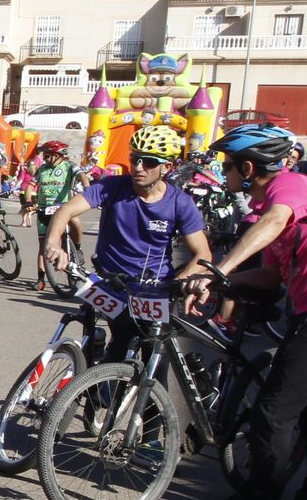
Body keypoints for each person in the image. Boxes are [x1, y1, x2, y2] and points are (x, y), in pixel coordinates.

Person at [183, 125, 307, 500]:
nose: (223, 173)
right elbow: (270, 276)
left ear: (249, 167)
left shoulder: (289, 187)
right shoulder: (271, 205)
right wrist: (217, 283)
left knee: (274, 411)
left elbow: (273, 222)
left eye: (228, 165)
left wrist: (218, 268)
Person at [43, 124, 210, 363]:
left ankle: (147, 398)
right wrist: (54, 244)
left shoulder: (180, 203)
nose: (138, 167)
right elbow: (66, 210)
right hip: (110, 282)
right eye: (135, 159)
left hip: (154, 287)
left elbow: (202, 253)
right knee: (118, 342)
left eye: (149, 162)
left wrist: (184, 280)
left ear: (167, 167)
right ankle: (98, 376)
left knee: (154, 356)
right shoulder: (112, 186)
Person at [32, 141, 82, 291]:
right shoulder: (42, 169)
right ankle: (40, 279)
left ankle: (77, 249)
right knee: (43, 247)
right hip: (44, 210)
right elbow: (30, 186)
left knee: (75, 220)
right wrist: (27, 202)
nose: (45, 159)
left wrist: (87, 189)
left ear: (56, 155)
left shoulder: (69, 166)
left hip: (63, 208)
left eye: (47, 156)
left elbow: (83, 176)